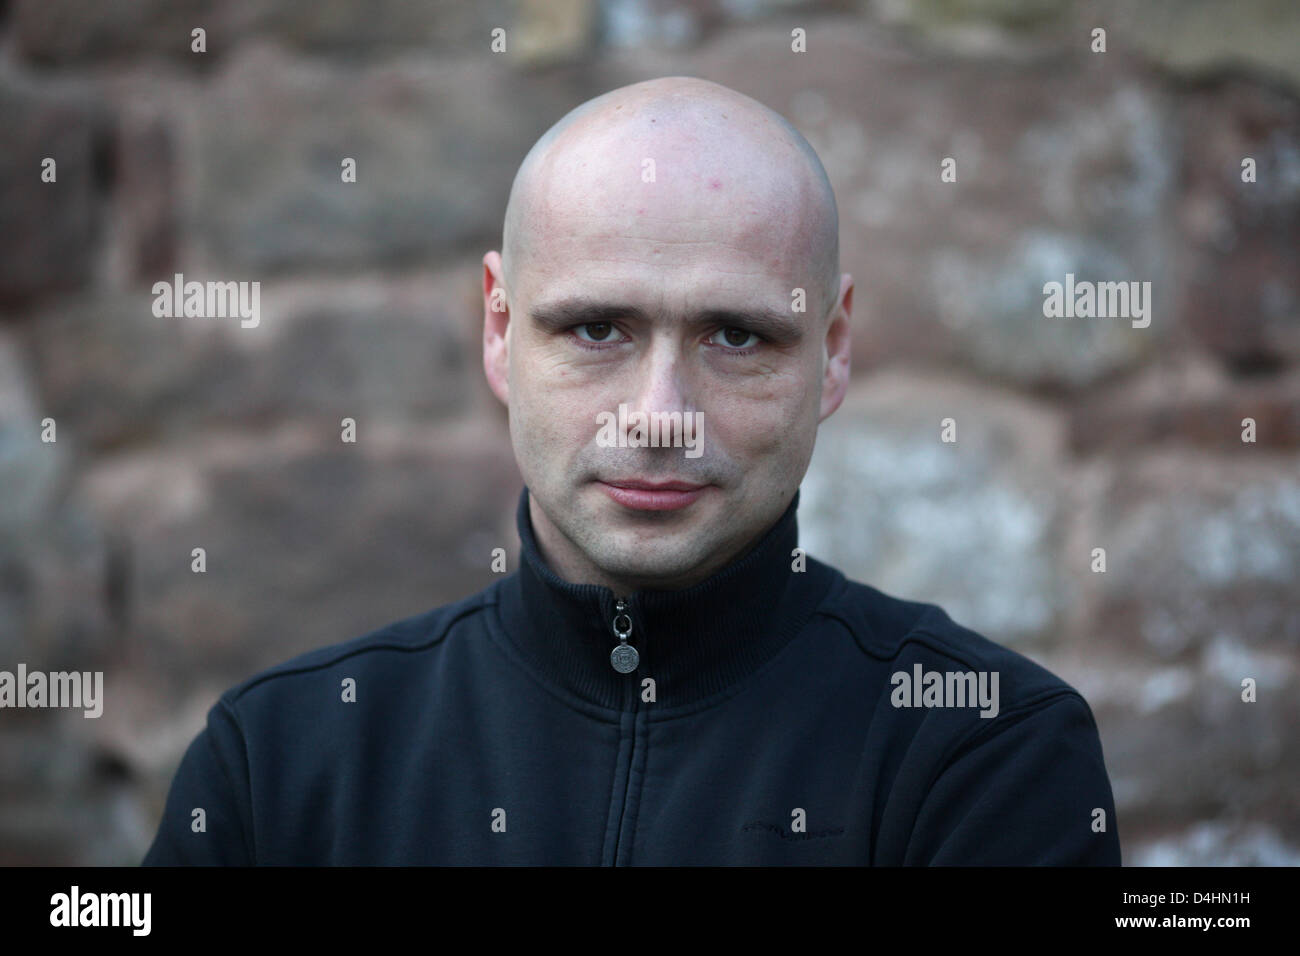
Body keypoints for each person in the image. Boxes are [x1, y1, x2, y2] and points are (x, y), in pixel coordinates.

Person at [143, 76, 1120, 865]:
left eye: (736, 335)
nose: (659, 416)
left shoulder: (986, 751)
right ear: (498, 329)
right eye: (597, 327)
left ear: (832, 349)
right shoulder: (284, 759)